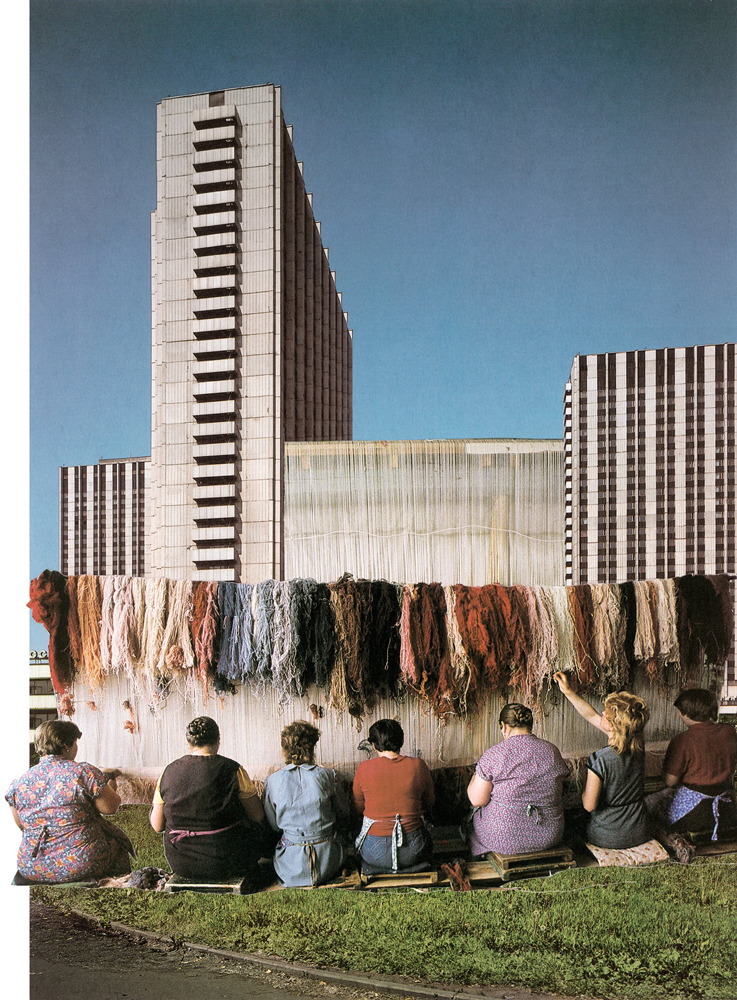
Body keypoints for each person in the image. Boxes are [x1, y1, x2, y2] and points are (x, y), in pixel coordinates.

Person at [5, 720, 133, 885]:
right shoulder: (83, 772)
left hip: (31, 866)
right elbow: (111, 807)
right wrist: (109, 781)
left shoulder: (19, 783)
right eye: (75, 743)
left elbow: (21, 824)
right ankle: (117, 888)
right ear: (66, 745)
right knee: (116, 844)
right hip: (79, 863)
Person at [149, 716, 265, 882]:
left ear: (189, 743)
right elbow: (257, 816)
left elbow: (157, 825)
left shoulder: (167, 772)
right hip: (228, 861)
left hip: (181, 863)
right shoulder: (234, 770)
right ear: (218, 741)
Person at [553, 672, 650, 849]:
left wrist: (583, 790)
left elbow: (589, 805)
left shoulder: (600, 760)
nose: (602, 713)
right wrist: (568, 691)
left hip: (608, 837)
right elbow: (591, 715)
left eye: (606, 714)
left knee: (573, 822)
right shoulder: (638, 747)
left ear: (612, 726)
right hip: (639, 831)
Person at [466, 703, 569, 856]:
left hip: (504, 838)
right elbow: (559, 789)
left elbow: (477, 800)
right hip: (549, 836)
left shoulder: (494, 754)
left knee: (469, 821)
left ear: (504, 726)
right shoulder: (551, 751)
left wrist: (475, 777)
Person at [263, 721, 349, 887]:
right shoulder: (329, 776)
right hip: (329, 860)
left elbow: (274, 825)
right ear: (312, 748)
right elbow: (343, 812)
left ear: (285, 749)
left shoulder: (272, 781)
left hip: (290, 865)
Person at [352, 718, 435, 874]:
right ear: (401, 741)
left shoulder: (364, 768)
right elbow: (429, 803)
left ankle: (376, 869)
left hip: (374, 853)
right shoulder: (418, 765)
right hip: (414, 850)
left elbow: (358, 807)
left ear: (374, 745)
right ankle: (415, 866)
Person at [660, 688, 737, 839]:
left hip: (694, 816)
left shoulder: (682, 740)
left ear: (686, 714)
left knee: (653, 806)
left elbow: (670, 781)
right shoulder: (729, 732)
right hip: (727, 811)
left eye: (680, 711)